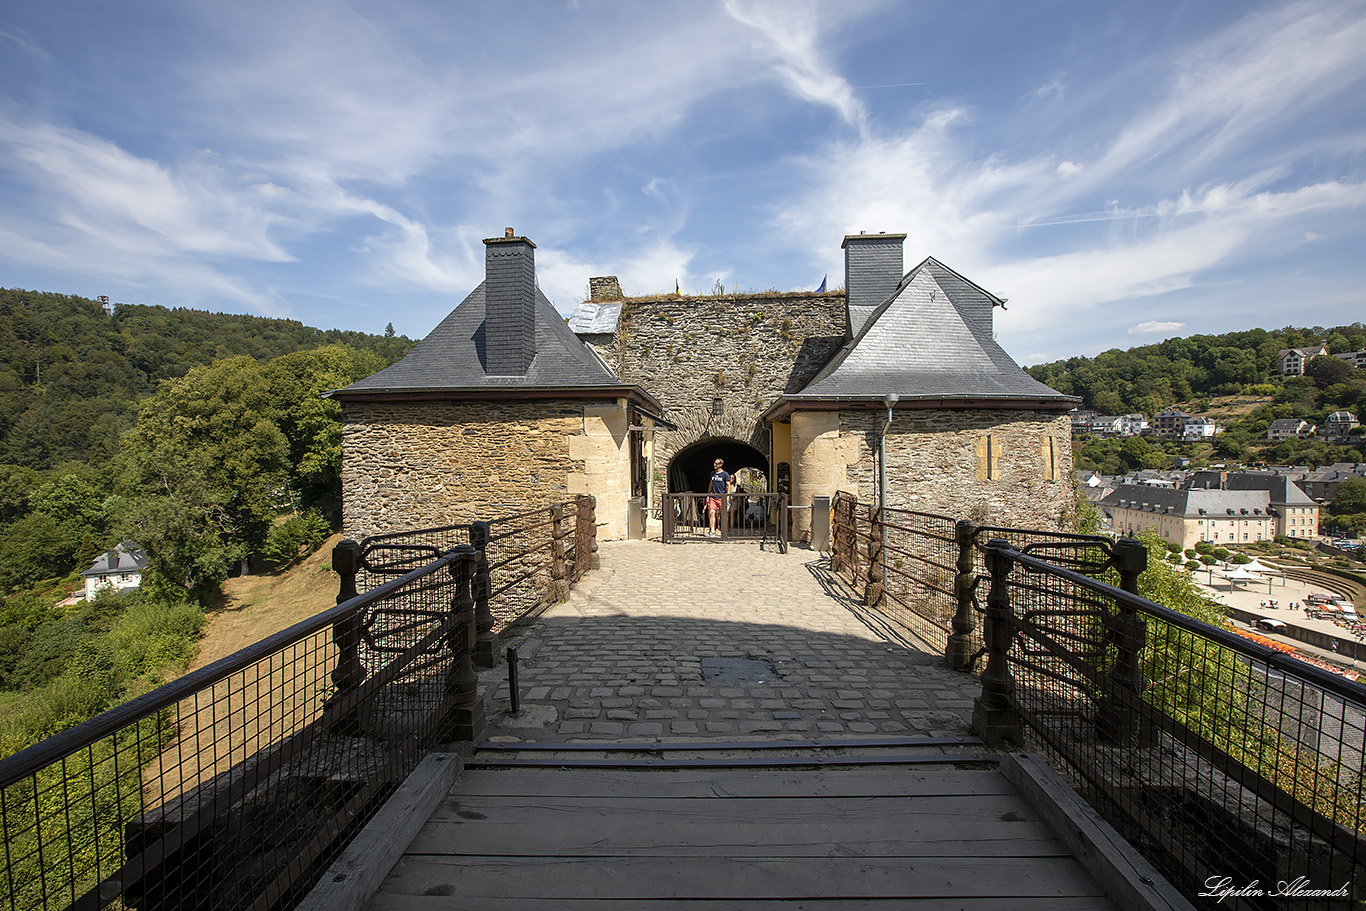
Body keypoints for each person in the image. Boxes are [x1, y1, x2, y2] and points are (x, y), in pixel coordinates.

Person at [706, 458, 733, 536]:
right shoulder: (712, 473)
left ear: (721, 465)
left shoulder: (725, 474)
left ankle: (724, 531)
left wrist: (727, 496)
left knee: (723, 514)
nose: (714, 465)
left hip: (722, 497)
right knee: (711, 512)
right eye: (714, 463)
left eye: (716, 464)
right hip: (713, 497)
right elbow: (711, 484)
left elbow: (728, 485)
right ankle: (712, 531)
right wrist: (708, 494)